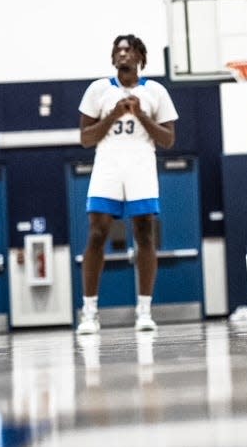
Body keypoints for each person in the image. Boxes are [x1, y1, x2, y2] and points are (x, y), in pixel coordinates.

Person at [76, 34, 178, 334]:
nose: (122, 53)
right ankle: (90, 312)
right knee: (97, 232)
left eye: (128, 49)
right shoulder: (98, 89)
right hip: (107, 162)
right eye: (118, 49)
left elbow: (168, 139)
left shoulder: (156, 91)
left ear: (139, 57)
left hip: (140, 162)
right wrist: (114, 115)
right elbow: (85, 138)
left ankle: (144, 311)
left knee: (145, 233)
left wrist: (140, 115)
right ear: (113, 57)